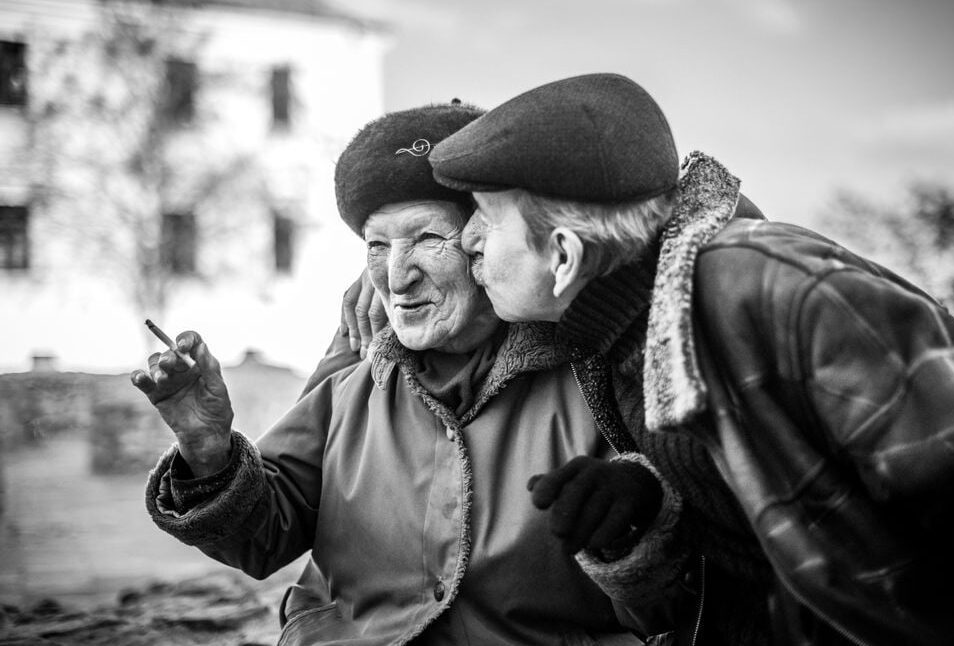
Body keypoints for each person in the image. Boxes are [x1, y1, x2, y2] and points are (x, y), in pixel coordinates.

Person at [414, 73, 954, 645]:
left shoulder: (778, 291)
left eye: (486, 218)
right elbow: (736, 581)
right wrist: (645, 522)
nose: (467, 238)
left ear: (562, 257)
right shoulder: (603, 338)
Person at [131, 102, 682, 645]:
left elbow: (670, 602)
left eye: (425, 238)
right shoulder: (354, 370)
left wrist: (631, 536)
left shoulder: (595, 376)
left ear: (483, 237)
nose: (397, 277)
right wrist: (207, 449)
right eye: (376, 245)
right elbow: (263, 536)